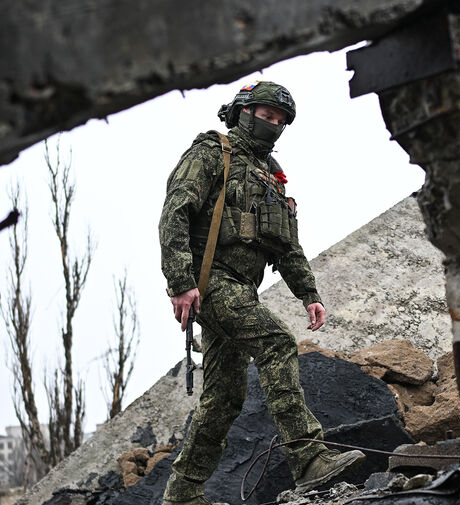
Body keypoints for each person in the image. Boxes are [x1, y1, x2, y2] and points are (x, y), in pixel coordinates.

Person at [158, 81, 364, 505]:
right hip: (211, 280)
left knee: (224, 397)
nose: (272, 124)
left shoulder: (271, 176)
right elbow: (175, 214)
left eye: (280, 120)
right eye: (266, 115)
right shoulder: (211, 153)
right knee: (277, 343)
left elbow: (287, 245)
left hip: (242, 290)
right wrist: (180, 283)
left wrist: (309, 293)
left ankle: (182, 495)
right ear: (242, 112)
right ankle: (308, 458)